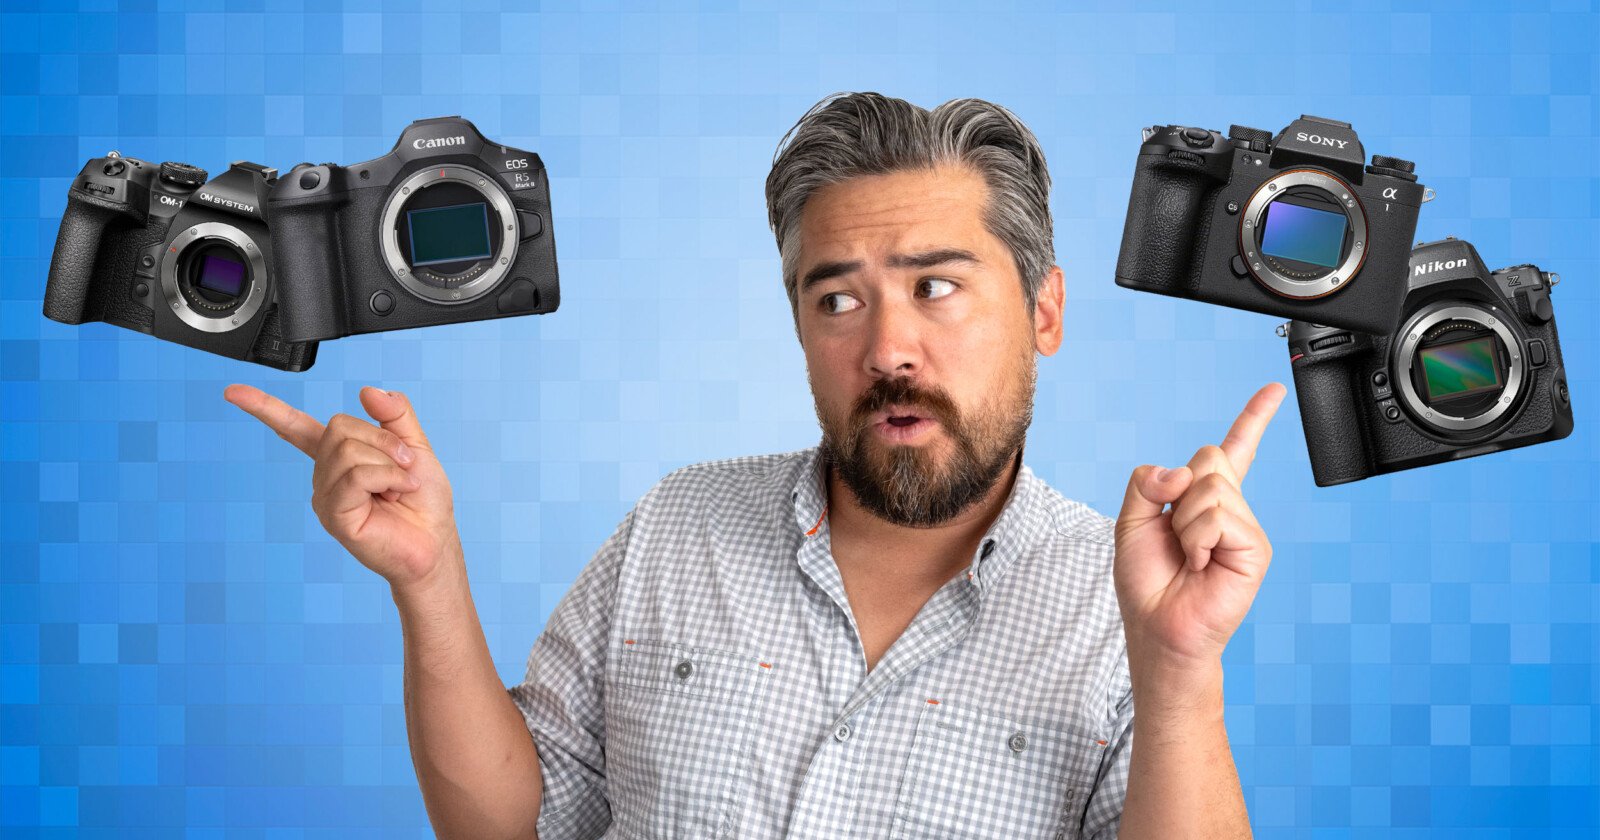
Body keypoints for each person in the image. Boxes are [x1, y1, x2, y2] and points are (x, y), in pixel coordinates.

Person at [226, 91, 1281, 839]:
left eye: (937, 288)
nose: (886, 349)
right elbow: (514, 823)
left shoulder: (1127, 614)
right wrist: (428, 579)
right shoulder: (677, 524)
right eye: (836, 298)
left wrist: (1180, 673)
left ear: (1043, 312)